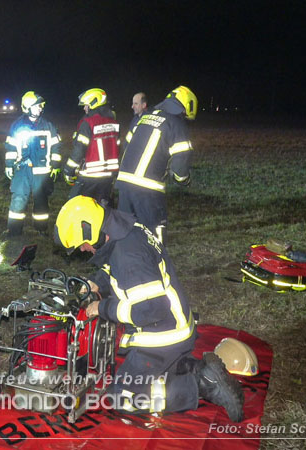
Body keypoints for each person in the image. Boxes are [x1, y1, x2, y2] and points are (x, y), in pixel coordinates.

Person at [54, 195, 244, 422]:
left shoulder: (128, 255)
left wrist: (102, 307)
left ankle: (202, 385)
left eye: (82, 244)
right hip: (174, 326)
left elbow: (152, 310)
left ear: (90, 231)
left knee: (122, 397)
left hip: (162, 335)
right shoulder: (124, 231)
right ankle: (193, 368)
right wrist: (96, 283)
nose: (84, 250)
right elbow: (116, 269)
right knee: (140, 374)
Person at [116, 86, 196, 243]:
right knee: (154, 234)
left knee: (124, 231)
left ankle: (121, 264)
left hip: (124, 183)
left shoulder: (144, 117)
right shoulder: (176, 124)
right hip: (148, 189)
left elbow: (126, 145)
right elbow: (181, 160)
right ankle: (154, 264)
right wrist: (183, 179)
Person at [3, 91, 62, 236]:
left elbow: (56, 147)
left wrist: (55, 166)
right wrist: (9, 165)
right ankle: (14, 230)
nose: (40, 109)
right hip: (22, 170)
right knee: (18, 200)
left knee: (41, 203)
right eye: (37, 106)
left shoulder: (48, 125)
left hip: (42, 172)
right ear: (27, 107)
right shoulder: (17, 125)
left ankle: (41, 229)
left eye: (41, 106)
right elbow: (11, 147)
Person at [63, 88, 120, 204]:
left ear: (94, 103)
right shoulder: (114, 123)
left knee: (76, 206)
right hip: (108, 177)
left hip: (89, 176)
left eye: (86, 105)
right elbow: (117, 148)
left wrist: (68, 170)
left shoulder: (88, 123)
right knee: (102, 209)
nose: (84, 108)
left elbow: (79, 149)